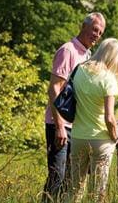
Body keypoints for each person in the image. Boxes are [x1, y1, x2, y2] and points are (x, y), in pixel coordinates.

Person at [43, 13, 106, 201]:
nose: (97, 35)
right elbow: (54, 88)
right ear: (83, 26)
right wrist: (60, 126)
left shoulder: (87, 55)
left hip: (77, 127)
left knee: (72, 181)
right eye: (95, 29)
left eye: (100, 32)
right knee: (57, 177)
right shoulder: (68, 51)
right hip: (60, 126)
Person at [68, 38, 118, 203]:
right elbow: (109, 117)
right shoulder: (108, 79)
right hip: (100, 140)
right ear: (115, 58)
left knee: (74, 190)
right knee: (97, 194)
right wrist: (115, 136)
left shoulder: (79, 70)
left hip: (78, 136)